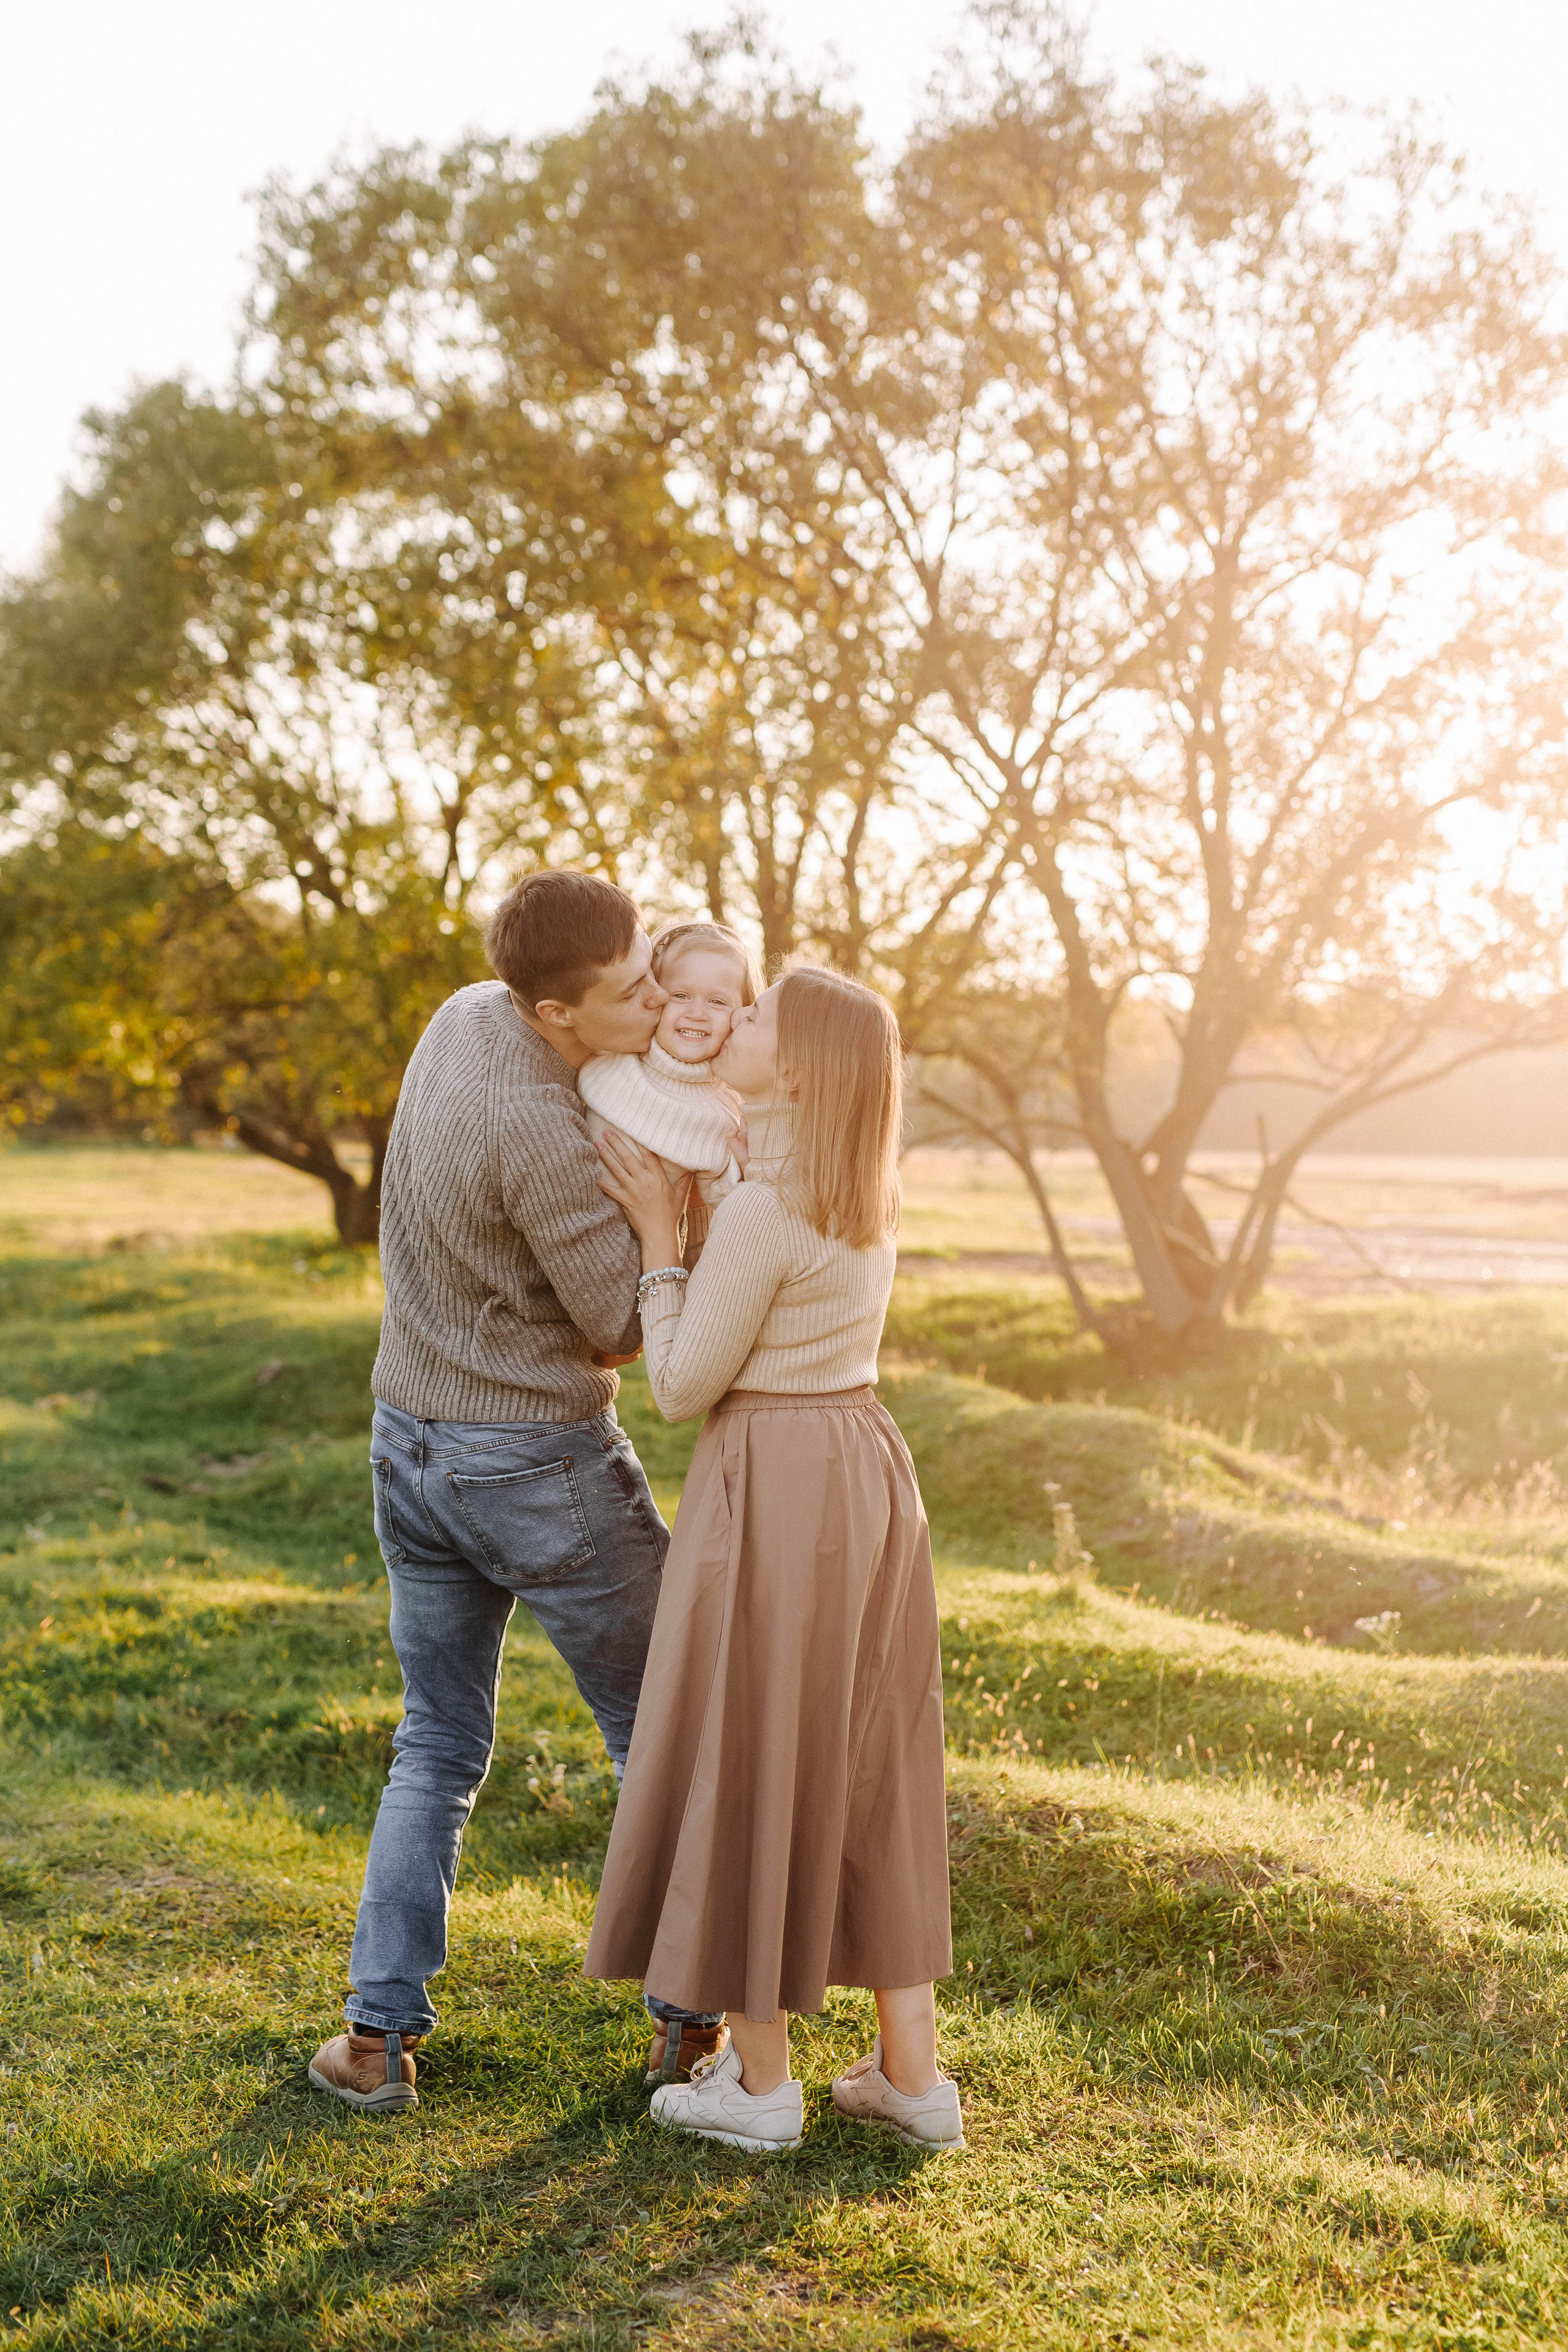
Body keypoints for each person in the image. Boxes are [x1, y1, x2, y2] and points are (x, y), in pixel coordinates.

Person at [309, 870, 721, 2114]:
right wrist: (671, 1218)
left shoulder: (456, 1017)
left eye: (650, 964)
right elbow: (614, 1329)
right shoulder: (544, 1130)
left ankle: (374, 2043)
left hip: (409, 1443)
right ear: (554, 1012)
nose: (655, 996)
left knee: (433, 1744)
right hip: (535, 1461)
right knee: (659, 1732)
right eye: (628, 991)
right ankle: (694, 2025)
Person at [584, 967, 962, 2154]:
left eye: (753, 1017)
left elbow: (683, 1382)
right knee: (871, 1764)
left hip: (776, 1478)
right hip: (863, 1468)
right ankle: (912, 2078)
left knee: (747, 1751)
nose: (729, 1021)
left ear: (792, 1067)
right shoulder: (860, 1190)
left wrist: (658, 1239)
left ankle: (758, 2085)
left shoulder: (761, 1211)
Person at [579, 921, 761, 1216]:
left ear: (741, 1015)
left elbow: (727, 1210)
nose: (697, 1014)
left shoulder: (729, 1116)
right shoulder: (610, 1054)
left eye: (717, 1001)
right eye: (680, 995)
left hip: (640, 1251)